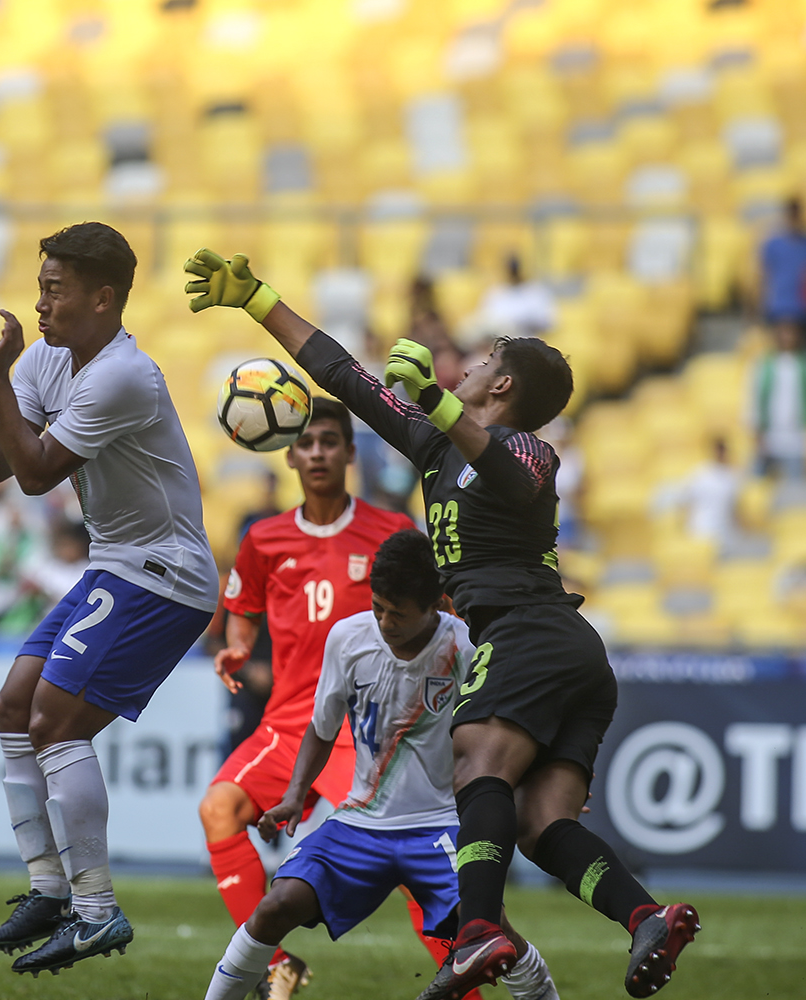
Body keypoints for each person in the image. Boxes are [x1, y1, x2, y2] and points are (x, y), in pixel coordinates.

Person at [183, 248, 699, 999]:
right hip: (560, 653)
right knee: (539, 823)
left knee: (475, 764)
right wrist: (259, 299)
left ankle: (476, 931)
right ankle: (646, 915)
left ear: (504, 384)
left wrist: (438, 401)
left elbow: (513, 476)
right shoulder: (433, 446)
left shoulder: (529, 449)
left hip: (528, 634)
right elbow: (344, 378)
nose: (465, 364)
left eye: (483, 358)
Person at [0, 222, 217, 976]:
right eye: (40, 286)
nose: (40, 302)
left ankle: (96, 912)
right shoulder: (49, 361)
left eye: (54, 289)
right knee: (12, 709)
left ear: (103, 297)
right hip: (116, 566)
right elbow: (1, 463)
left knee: (54, 722)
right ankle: (48, 889)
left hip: (164, 574)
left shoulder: (121, 374)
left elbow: (35, 476)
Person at [203, 531, 558, 1000]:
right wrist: (294, 794)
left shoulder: (468, 648)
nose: (385, 621)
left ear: (436, 605)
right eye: (378, 607)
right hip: (361, 823)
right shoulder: (348, 639)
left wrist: (550, 783)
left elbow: (514, 726)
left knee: (493, 935)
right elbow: (322, 728)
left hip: (441, 826)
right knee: (276, 906)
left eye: (398, 613)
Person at [202, 398, 424, 999]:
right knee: (218, 810)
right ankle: (277, 965)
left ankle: (468, 982)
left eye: (330, 441)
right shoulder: (263, 538)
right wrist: (237, 648)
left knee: (416, 870)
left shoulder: (392, 532)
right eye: (308, 444)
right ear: (290, 453)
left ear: (350, 452)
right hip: (289, 722)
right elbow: (242, 611)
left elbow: (437, 617)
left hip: (371, 727)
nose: (318, 452)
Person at [745, 319, 806, 480]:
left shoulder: (802, 364)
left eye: (791, 332)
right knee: (757, 482)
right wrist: (757, 431)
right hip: (769, 436)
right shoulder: (763, 364)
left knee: (794, 486)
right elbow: (754, 397)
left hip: (796, 438)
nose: (787, 337)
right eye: (783, 332)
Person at [652, 439, 740, 543]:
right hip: (700, 533)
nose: (722, 454)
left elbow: (735, 509)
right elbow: (680, 497)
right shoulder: (701, 474)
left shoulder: (732, 476)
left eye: (724, 451)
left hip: (724, 534)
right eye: (720, 450)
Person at [758, 196, 806, 331]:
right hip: (778, 308)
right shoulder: (773, 244)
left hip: (801, 309)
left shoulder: (804, 244)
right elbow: (763, 276)